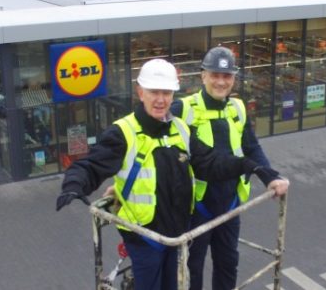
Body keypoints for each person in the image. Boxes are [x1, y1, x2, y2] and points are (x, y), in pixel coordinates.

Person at [56, 58, 279, 290]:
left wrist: (254, 167)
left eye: (167, 93)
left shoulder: (180, 129)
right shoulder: (123, 132)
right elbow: (91, 165)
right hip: (144, 240)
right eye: (154, 92)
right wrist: (73, 185)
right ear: (140, 92)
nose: (161, 100)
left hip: (176, 237)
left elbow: (210, 161)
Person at [171, 46, 289, 290]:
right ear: (203, 75)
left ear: (234, 79)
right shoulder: (183, 110)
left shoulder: (237, 108)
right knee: (192, 268)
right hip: (197, 209)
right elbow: (153, 143)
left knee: (228, 262)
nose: (221, 81)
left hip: (230, 206)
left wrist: (270, 176)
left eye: (227, 76)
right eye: (215, 75)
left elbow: (251, 146)